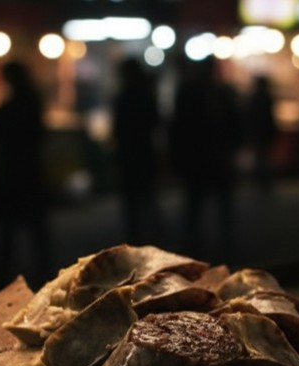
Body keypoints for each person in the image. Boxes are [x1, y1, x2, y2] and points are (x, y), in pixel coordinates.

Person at [169, 56, 243, 261]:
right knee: (200, 206)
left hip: (209, 159)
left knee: (208, 206)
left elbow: (178, 129)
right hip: (203, 160)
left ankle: (210, 248)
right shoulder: (213, 94)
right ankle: (200, 248)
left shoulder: (201, 93)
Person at [0, 61, 51, 285]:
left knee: (10, 228)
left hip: (14, 171)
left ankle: (4, 274)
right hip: (29, 170)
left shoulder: (14, 104)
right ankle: (44, 269)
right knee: (34, 228)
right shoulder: (32, 101)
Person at [111, 57, 161, 245]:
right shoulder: (145, 96)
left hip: (131, 154)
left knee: (135, 202)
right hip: (143, 153)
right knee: (147, 200)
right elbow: (156, 123)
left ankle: (137, 239)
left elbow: (118, 129)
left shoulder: (125, 97)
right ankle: (151, 238)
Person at [244, 74, 278, 200]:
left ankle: (261, 182)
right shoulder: (266, 98)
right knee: (264, 158)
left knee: (261, 158)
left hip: (261, 133)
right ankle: (264, 182)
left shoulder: (256, 98)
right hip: (265, 133)